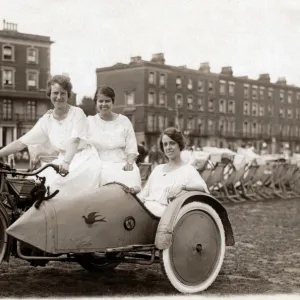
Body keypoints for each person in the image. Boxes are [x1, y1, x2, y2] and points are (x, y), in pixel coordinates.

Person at [0, 75, 102, 197]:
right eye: (55, 93)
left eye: (63, 93)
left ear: (68, 95)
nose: (59, 97)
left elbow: (74, 140)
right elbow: (21, 142)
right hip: (61, 161)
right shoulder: (46, 120)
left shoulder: (77, 113)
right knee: (36, 184)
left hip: (83, 159)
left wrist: (66, 163)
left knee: (58, 187)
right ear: (49, 94)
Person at [137, 127, 209, 217]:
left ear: (180, 145)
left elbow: (203, 189)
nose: (168, 147)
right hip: (145, 211)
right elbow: (144, 195)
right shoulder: (158, 169)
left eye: (172, 143)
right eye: (165, 144)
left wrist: (183, 187)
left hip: (162, 217)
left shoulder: (188, 170)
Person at [86, 85, 141, 193]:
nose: (104, 104)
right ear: (96, 102)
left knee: (127, 178)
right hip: (97, 163)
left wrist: (129, 163)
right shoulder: (89, 122)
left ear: (113, 102)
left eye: (107, 101)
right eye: (100, 101)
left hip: (120, 162)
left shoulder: (124, 121)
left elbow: (131, 148)